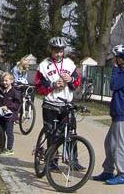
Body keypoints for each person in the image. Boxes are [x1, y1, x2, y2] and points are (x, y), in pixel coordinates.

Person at [93, 44, 124, 186]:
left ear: (122, 58)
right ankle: (108, 170)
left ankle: (122, 174)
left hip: (123, 111)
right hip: (118, 111)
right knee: (110, 143)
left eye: (116, 58)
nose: (115, 60)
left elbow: (113, 84)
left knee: (119, 144)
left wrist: (114, 69)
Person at [34, 36, 84, 169]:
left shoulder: (69, 64)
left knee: (71, 132)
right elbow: (38, 86)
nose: (59, 54)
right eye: (56, 51)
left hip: (66, 104)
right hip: (50, 104)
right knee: (51, 133)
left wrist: (71, 80)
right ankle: (52, 161)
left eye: (61, 51)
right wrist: (53, 85)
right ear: (51, 50)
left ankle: (73, 160)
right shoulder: (44, 65)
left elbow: (77, 82)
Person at [0, 71, 23, 155]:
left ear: (11, 81)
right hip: (1, 115)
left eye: (6, 80)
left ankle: (9, 149)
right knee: (1, 131)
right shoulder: (0, 90)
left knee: (9, 132)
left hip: (10, 116)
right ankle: (1, 147)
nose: (4, 82)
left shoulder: (15, 92)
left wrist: (8, 107)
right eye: (3, 81)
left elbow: (17, 104)